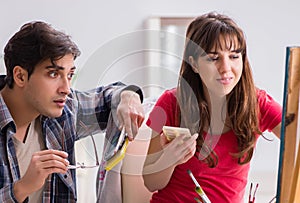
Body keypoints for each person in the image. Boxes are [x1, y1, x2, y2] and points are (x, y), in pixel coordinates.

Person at [142, 12, 282, 203]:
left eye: (234, 56)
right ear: (194, 64)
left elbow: (295, 139)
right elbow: (150, 182)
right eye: (213, 58)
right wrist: (169, 159)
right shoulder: (170, 103)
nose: (226, 68)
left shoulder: (258, 104)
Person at [0, 21, 144, 202]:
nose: (66, 88)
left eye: (69, 75)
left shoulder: (65, 110)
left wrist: (129, 97)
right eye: (53, 74)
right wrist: (22, 189)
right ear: (20, 76)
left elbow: (110, 97)